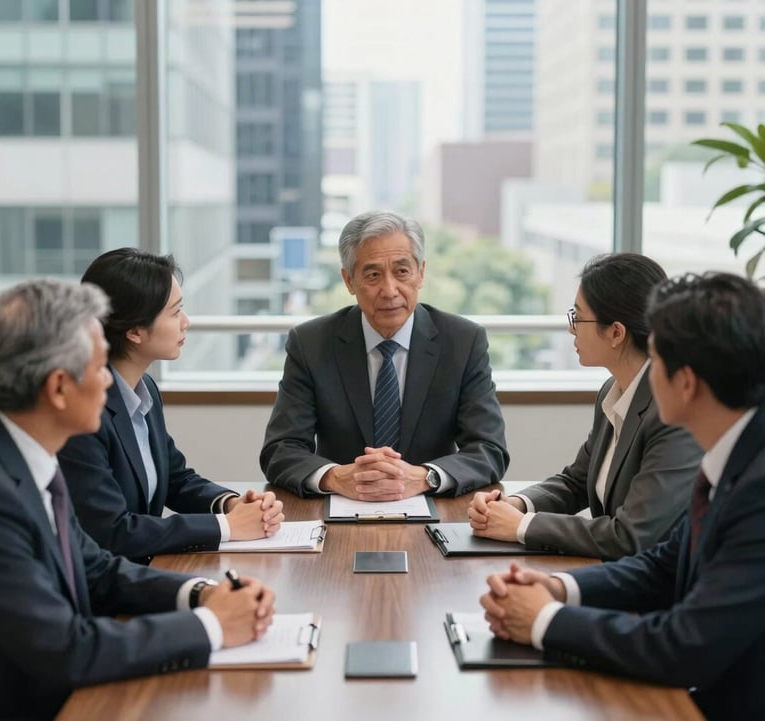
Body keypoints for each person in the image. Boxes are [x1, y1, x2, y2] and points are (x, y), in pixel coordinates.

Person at [479, 272, 765, 721]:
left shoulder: (757, 490)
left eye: (656, 356)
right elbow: (663, 565)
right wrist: (559, 588)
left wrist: (545, 620)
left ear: (686, 383)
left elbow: (685, 645)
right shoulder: (732, 454)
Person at [0, 278, 276, 721]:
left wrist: (203, 595)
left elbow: (97, 570)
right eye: (99, 367)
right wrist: (212, 625)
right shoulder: (4, 497)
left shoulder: (32, 459)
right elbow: (66, 649)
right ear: (58, 388)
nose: (109, 381)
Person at [260, 209, 509, 501]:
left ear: (421, 273)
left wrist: (424, 477)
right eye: (373, 275)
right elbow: (281, 449)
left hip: (433, 507)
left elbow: (488, 449)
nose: (390, 290)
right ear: (349, 281)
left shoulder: (462, 341)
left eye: (402, 272)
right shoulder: (311, 343)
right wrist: (336, 477)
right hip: (341, 506)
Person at [468, 253, 702, 559]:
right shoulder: (613, 391)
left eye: (578, 317)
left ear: (616, 332)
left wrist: (522, 526)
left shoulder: (671, 413)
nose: (571, 329)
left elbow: (631, 536)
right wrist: (517, 505)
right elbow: (576, 482)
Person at [58, 248, 284, 564]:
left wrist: (231, 505)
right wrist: (227, 527)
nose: (186, 322)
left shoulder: (144, 388)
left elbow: (175, 479)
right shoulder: (83, 414)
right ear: (135, 331)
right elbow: (112, 531)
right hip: (107, 580)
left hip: (142, 569)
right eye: (175, 312)